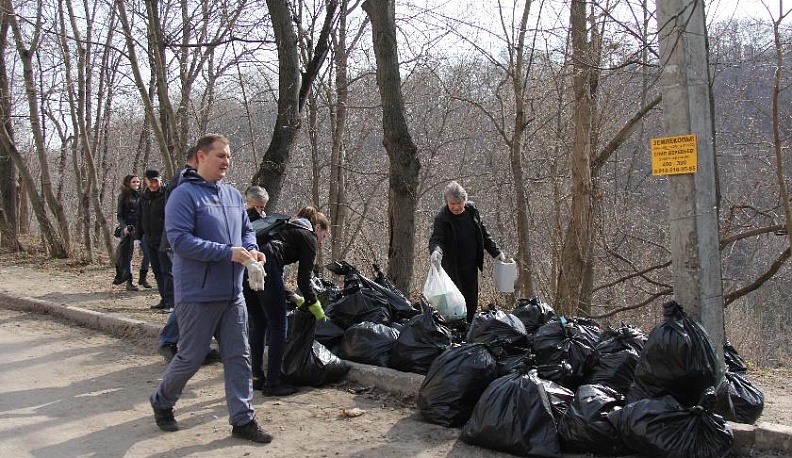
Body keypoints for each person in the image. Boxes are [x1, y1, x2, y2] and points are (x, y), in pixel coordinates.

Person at [149, 134, 272, 443]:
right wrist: (227, 252)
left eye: (228, 156)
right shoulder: (183, 195)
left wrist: (251, 250)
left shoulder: (232, 195)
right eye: (220, 155)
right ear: (201, 157)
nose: (226, 161)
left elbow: (246, 231)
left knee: (239, 357)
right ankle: (162, 401)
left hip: (233, 293)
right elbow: (180, 241)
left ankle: (243, 420)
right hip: (197, 294)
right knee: (190, 357)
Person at [251, 205, 329, 396]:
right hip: (265, 266)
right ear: (317, 228)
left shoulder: (285, 228)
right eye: (323, 237)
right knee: (279, 326)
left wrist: (295, 297)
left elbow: (276, 274)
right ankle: (273, 383)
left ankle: (257, 378)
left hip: (250, 264)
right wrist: (314, 304)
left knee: (258, 323)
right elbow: (304, 279)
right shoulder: (308, 236)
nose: (320, 242)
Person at [155, 147, 221, 364]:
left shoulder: (195, 181)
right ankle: (168, 341)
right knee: (193, 297)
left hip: (195, 246)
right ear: (198, 159)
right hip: (182, 247)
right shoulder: (184, 181)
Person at [429, 181, 507, 323]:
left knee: (471, 303)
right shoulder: (442, 218)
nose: (456, 207)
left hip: (471, 267)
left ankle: (470, 335)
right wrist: (436, 252)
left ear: (465, 200)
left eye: (459, 203)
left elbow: (483, 234)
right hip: (452, 269)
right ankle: (456, 336)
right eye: (452, 204)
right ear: (447, 202)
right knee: (456, 306)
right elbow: (437, 239)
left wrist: (496, 253)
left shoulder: (472, 211)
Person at [136, 169, 172, 310]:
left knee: (167, 271)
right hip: (149, 239)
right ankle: (164, 298)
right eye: (150, 182)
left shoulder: (166, 195)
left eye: (155, 181)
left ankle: (171, 302)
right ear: (146, 181)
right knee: (157, 271)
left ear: (160, 180)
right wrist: (138, 237)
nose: (153, 184)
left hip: (164, 239)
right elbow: (140, 217)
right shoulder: (144, 197)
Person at [113, 174, 142, 291]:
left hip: (140, 227)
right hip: (128, 228)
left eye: (138, 182)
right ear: (128, 183)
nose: (136, 184)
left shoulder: (141, 196)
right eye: (134, 182)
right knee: (127, 255)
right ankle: (129, 281)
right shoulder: (123, 196)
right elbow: (120, 215)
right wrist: (124, 227)